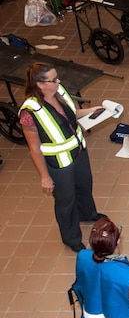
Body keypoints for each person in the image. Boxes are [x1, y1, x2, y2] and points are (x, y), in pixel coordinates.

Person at [19, 62, 105, 252]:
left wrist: (92, 111)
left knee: (84, 186)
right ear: (40, 84)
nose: (58, 81)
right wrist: (45, 176)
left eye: (57, 77)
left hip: (79, 152)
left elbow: (73, 115)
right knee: (66, 201)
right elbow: (34, 149)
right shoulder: (30, 112)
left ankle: (88, 214)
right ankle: (72, 238)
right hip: (58, 164)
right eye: (53, 80)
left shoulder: (61, 92)